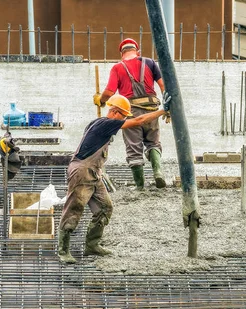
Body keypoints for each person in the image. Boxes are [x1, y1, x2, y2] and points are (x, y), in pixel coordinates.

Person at [58, 93, 170, 264]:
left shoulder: (98, 123)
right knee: (74, 209)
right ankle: (63, 250)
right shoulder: (106, 123)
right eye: (124, 116)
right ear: (116, 112)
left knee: (105, 208)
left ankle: (92, 245)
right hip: (82, 171)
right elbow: (140, 121)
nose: (124, 120)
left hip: (94, 172)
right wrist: (163, 111)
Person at [94, 38, 168, 191]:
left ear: (122, 54)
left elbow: (109, 92)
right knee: (153, 143)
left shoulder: (118, 67)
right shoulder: (150, 63)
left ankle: (140, 186)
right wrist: (168, 108)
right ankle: (158, 173)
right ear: (137, 51)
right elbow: (163, 86)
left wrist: (100, 100)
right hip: (152, 109)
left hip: (131, 111)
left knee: (134, 148)